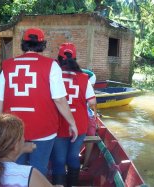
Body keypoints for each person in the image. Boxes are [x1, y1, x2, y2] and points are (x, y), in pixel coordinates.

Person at [0, 28, 78, 176]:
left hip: (14, 130)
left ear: (23, 44)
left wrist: (1, 125)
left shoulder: (7, 65)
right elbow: (59, 99)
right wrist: (72, 123)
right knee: (38, 169)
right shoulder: (51, 65)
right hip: (43, 129)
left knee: (15, 169)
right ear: (42, 44)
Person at [0, 114, 61, 187]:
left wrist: (22, 148)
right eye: (22, 137)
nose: (24, 139)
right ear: (15, 146)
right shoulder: (28, 174)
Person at [50, 43, 97, 186]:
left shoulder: (52, 76)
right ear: (75, 59)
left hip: (59, 124)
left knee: (59, 160)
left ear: (58, 59)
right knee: (73, 157)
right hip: (80, 124)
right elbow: (92, 101)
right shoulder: (84, 78)